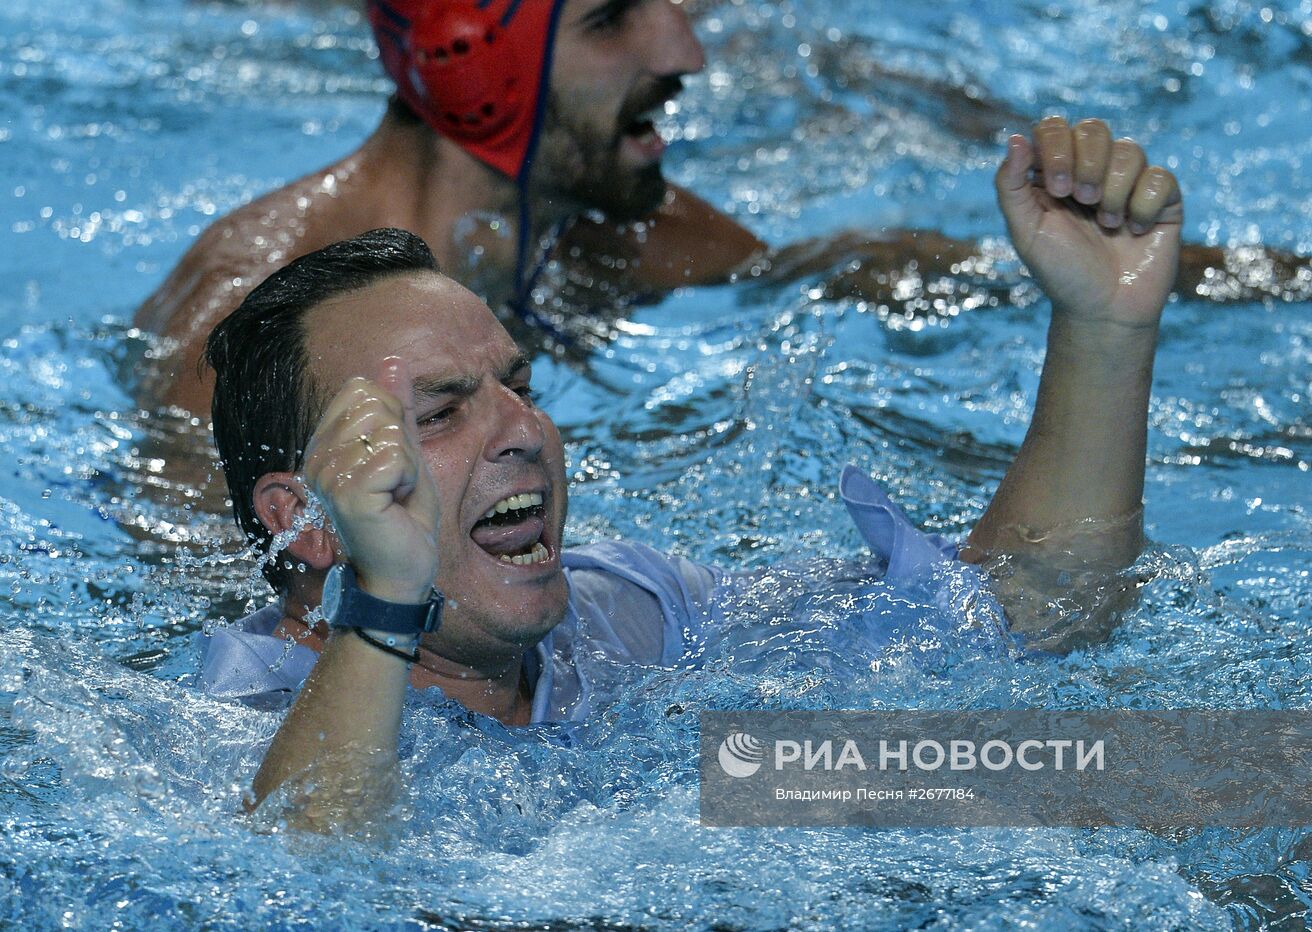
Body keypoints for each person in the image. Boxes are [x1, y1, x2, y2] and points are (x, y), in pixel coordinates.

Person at [200, 117, 1179, 828]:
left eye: (519, 384)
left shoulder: (625, 612)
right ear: (310, 519)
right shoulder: (238, 706)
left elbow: (1019, 616)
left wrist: (1102, 326)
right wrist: (386, 598)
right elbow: (307, 874)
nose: (524, 428)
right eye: (443, 409)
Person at [134, 0, 1312, 418]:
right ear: (474, 53)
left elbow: (884, 270)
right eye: (616, 13)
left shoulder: (609, 233)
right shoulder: (254, 323)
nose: (686, 42)